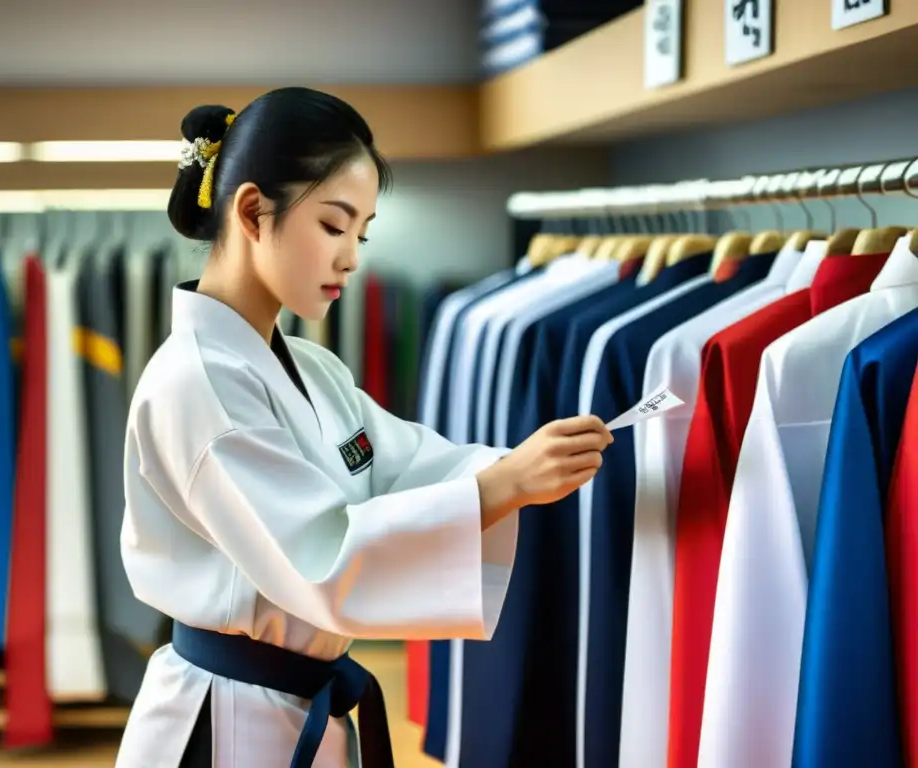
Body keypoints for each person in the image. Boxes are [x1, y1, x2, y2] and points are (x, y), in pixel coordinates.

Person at [115, 86, 612, 768]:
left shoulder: (309, 368)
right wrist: (501, 488)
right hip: (224, 724)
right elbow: (323, 558)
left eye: (362, 232)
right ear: (254, 211)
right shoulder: (196, 384)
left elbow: (402, 465)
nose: (351, 257)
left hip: (288, 706)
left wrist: (520, 469)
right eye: (333, 225)